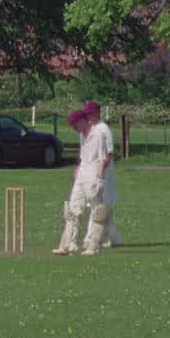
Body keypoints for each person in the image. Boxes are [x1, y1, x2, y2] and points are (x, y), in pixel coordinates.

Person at [55, 101, 118, 256]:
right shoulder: (82, 135)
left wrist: (100, 178)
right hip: (82, 175)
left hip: (94, 175)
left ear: (83, 120)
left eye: (76, 125)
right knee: (73, 208)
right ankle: (67, 245)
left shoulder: (99, 134)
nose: (75, 129)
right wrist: (78, 169)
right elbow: (83, 155)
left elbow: (103, 158)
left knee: (97, 210)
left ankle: (93, 245)